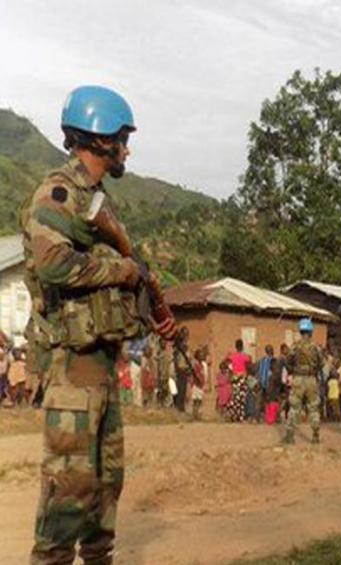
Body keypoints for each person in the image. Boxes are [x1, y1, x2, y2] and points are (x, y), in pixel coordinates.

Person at [21, 85, 175, 564]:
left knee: (106, 480)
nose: (127, 148)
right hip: (71, 363)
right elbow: (51, 263)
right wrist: (122, 270)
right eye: (122, 138)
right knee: (69, 482)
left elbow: (111, 283)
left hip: (101, 364)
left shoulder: (97, 202)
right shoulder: (59, 193)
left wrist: (144, 303)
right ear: (100, 138)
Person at [285, 318, 325, 444]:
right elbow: (322, 363)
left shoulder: (294, 347)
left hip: (297, 379)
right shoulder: (316, 348)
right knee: (313, 408)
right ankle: (315, 436)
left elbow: (287, 362)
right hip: (311, 380)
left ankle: (290, 437)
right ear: (311, 332)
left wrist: (293, 371)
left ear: (300, 331)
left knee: (294, 408)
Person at [172, 330, 194, 413]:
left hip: (184, 370)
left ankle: (181, 408)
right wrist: (177, 368)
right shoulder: (178, 348)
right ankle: (178, 407)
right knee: (179, 389)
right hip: (179, 370)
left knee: (183, 390)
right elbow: (175, 359)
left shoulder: (186, 347)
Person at [190, 347, 206, 420]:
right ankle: (194, 415)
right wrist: (198, 382)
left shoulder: (202, 365)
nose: (202, 356)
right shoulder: (195, 364)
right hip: (196, 384)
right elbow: (195, 374)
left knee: (199, 400)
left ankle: (198, 415)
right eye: (200, 355)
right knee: (195, 400)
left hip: (200, 385)